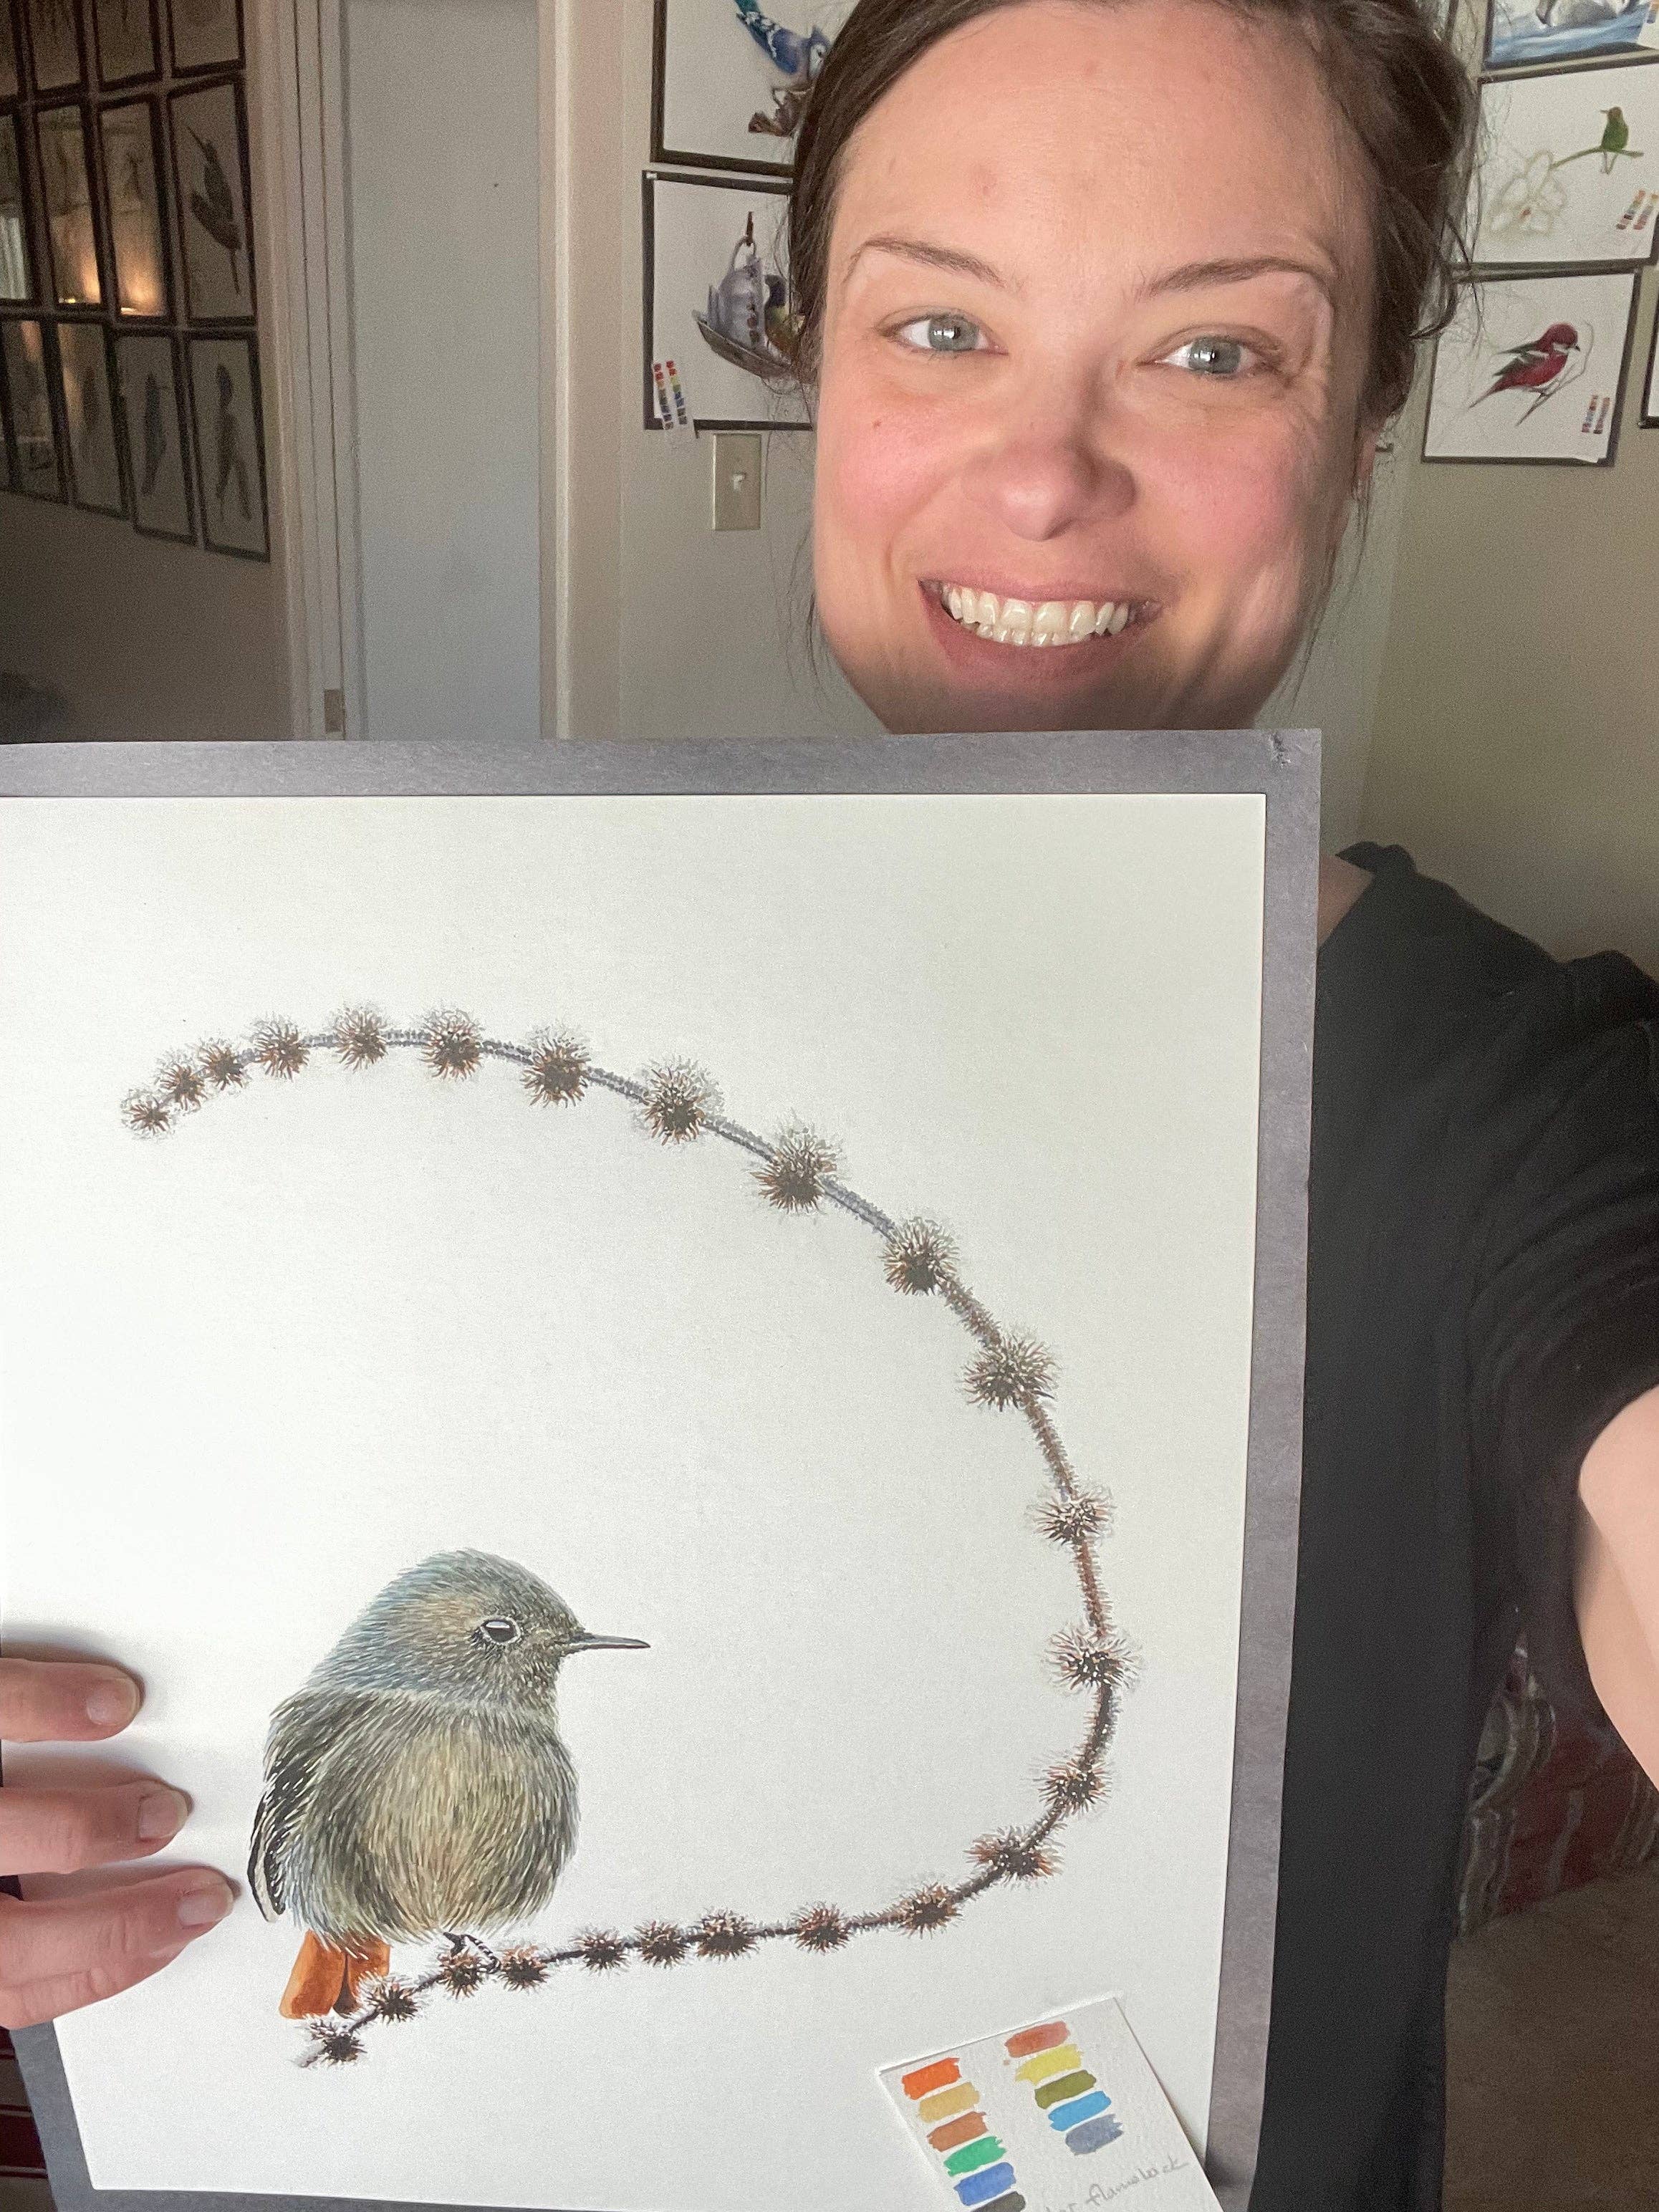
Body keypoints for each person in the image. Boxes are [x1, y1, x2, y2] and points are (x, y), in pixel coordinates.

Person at [1, 4, 1655, 2208]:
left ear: (1357, 432)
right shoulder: (402, 1017)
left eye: (1211, 350)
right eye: (941, 324)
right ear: (821, 382)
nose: (1045, 471)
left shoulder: (1499, 1100)